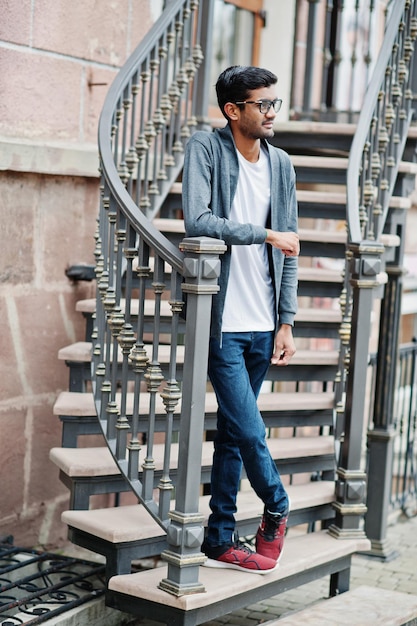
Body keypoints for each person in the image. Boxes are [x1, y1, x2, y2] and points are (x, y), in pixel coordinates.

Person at [182, 65, 299, 574]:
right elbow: (199, 219)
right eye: (263, 105)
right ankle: (278, 506)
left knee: (234, 432)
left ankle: (219, 537)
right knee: (250, 432)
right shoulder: (207, 150)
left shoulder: (283, 165)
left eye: (275, 103)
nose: (272, 113)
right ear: (234, 110)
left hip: (262, 322)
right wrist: (266, 234)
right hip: (223, 320)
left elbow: (290, 249)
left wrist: (287, 321)